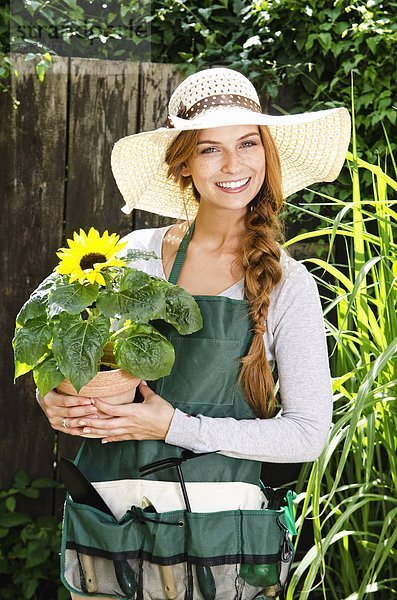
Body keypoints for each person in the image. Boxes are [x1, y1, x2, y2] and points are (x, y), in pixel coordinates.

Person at [38, 68, 351, 599]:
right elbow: (46, 336)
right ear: (183, 162)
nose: (234, 166)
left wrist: (173, 426)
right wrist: (51, 393)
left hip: (221, 533)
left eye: (248, 143)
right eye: (211, 149)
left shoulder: (287, 283)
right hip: (114, 516)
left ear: (266, 153)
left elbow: (307, 433)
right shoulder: (129, 254)